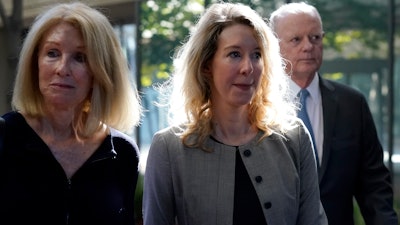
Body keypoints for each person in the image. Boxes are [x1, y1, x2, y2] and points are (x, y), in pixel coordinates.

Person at [142, 2, 327, 225]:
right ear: (206, 65)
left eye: (257, 55)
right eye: (235, 54)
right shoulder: (169, 148)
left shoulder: (294, 137)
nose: (248, 67)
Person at [0, 2, 143, 225]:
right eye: (52, 53)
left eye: (80, 57)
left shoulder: (122, 152)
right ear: (34, 62)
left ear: (102, 72)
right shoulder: (4, 137)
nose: (62, 68)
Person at [269, 2, 399, 225]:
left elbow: (374, 184)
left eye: (315, 38)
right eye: (296, 39)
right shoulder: (258, 105)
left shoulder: (352, 104)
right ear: (273, 46)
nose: (308, 46)